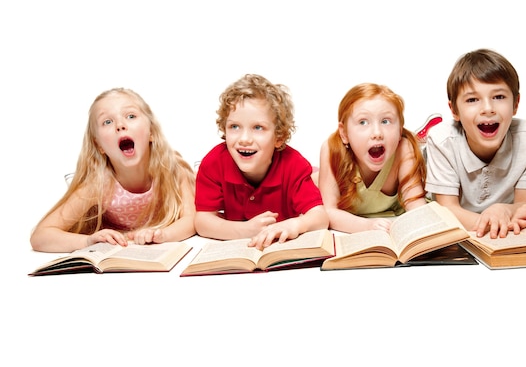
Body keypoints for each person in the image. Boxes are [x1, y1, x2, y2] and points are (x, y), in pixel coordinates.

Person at [30, 88, 197, 253]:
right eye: (107, 122)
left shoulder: (172, 169)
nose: (120, 125)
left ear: (151, 132)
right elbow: (40, 236)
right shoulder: (98, 185)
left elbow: (191, 220)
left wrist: (161, 235)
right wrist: (87, 241)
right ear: (99, 146)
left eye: (131, 116)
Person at [425, 48, 526, 239]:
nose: (488, 108)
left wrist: (502, 210)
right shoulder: (442, 140)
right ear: (454, 110)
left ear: (516, 104)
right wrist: (500, 219)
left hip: (495, 221)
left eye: (499, 97)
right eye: (472, 100)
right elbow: (447, 210)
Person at [194, 74, 329, 250]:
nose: (244, 139)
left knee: (318, 179)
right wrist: (245, 230)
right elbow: (203, 221)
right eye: (234, 127)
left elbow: (320, 217)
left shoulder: (294, 164)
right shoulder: (214, 162)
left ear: (278, 137)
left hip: (304, 181)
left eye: (258, 128)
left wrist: (294, 225)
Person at [317, 83, 427, 233]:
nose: (377, 132)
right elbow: (329, 212)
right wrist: (367, 226)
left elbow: (416, 206)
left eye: (385, 121)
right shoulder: (330, 150)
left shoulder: (403, 149)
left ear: (400, 129)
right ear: (344, 133)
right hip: (317, 183)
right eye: (363, 122)